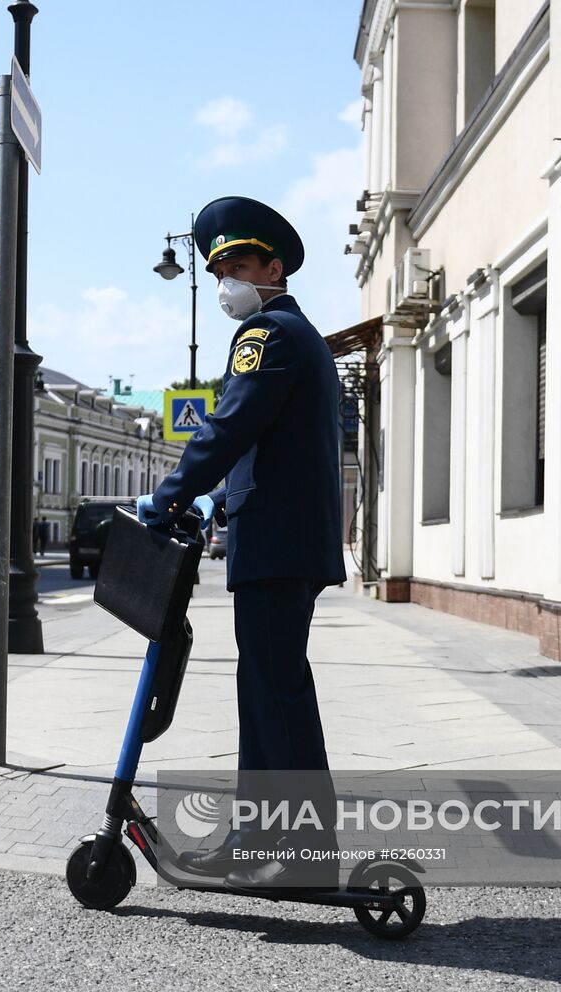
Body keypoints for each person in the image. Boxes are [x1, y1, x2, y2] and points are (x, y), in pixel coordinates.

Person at [138, 195, 345, 890]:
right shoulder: (297, 334)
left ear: (274, 267)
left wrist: (172, 491)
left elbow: (231, 425)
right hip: (280, 534)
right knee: (270, 688)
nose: (226, 280)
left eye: (238, 266)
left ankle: (297, 851)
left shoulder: (269, 334)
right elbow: (275, 443)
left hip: (279, 542)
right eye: (219, 268)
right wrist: (218, 499)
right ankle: (267, 840)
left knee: (274, 691)